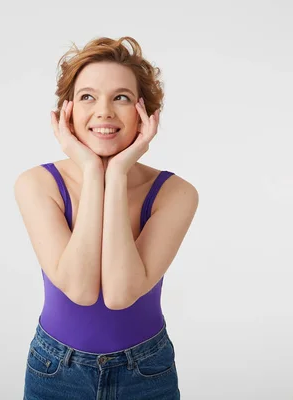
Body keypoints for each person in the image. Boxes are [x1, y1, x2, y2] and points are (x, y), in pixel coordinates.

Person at [14, 36, 199, 399]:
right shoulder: (37, 184)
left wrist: (115, 174)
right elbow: (80, 289)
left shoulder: (176, 193)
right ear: (66, 111)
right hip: (56, 369)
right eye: (87, 97)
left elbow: (119, 294)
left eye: (121, 97)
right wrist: (91, 169)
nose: (104, 111)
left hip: (145, 371)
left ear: (144, 112)